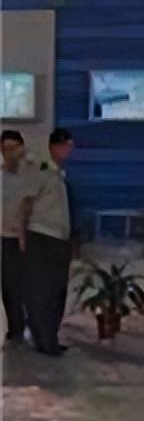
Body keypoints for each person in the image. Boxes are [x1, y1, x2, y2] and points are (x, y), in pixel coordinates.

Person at [22, 128, 76, 356]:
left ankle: (50, 338)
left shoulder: (58, 173)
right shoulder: (41, 170)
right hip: (42, 238)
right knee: (42, 292)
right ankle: (43, 340)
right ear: (55, 146)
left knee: (57, 292)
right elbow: (25, 202)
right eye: (66, 146)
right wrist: (22, 235)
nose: (69, 151)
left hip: (59, 240)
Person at [1, 129, 35, 342]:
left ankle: (32, 324)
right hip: (5, 238)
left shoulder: (32, 176)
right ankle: (16, 328)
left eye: (14, 148)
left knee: (27, 285)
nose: (10, 154)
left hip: (27, 238)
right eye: (6, 149)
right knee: (8, 286)